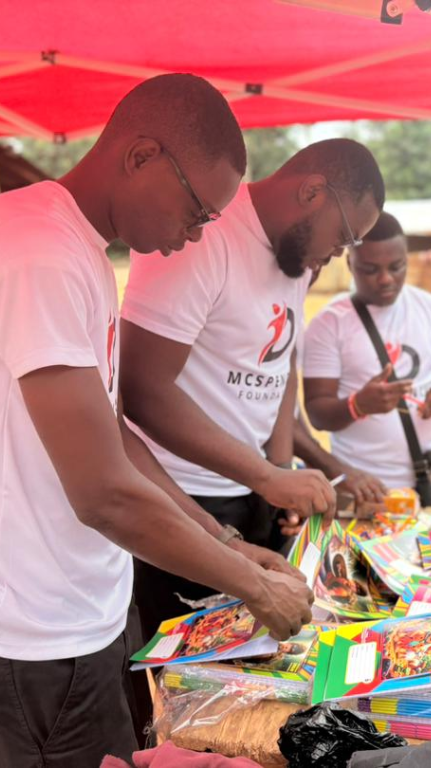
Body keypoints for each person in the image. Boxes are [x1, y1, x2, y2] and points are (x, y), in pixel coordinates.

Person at [0, 74, 313, 768]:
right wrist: (251, 586)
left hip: (83, 611)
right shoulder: (35, 252)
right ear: (141, 156)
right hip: (35, 639)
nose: (195, 233)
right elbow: (102, 491)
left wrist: (221, 538)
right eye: (197, 211)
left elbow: (115, 438)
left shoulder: (77, 252)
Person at [119, 138, 384, 637]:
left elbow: (278, 367)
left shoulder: (297, 257)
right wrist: (266, 474)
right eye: (345, 237)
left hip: (254, 491)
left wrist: (279, 473)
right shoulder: (202, 237)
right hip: (183, 504)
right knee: (185, 682)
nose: (338, 255)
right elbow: (140, 391)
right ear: (312, 192)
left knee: (253, 669)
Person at [303, 211, 431, 491]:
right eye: (371, 269)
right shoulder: (329, 324)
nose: (385, 279)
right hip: (366, 488)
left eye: (396, 267)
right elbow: (317, 414)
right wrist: (357, 404)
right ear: (351, 264)